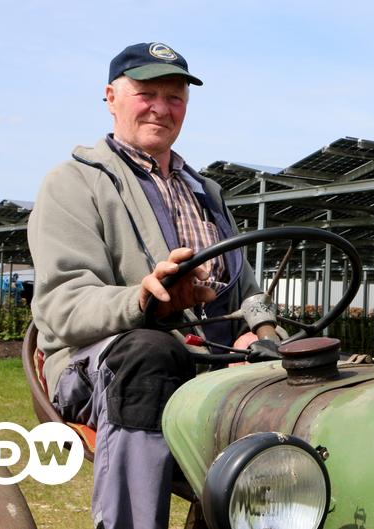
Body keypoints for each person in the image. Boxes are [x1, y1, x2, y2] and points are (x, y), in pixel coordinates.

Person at [28, 42, 279, 529]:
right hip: (106, 365)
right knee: (151, 354)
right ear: (111, 96)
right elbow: (61, 304)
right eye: (147, 93)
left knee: (310, 371)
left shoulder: (206, 193)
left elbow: (245, 289)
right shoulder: (73, 183)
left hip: (212, 366)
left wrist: (260, 333)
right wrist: (145, 299)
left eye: (176, 97)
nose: (162, 108)